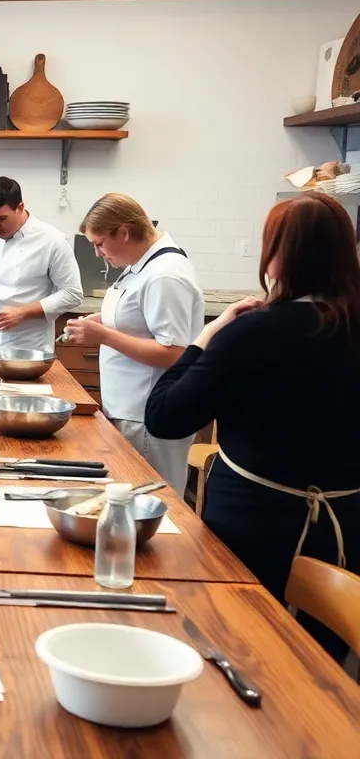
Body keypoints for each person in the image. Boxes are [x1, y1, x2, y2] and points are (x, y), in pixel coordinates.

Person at [146, 192, 360, 662]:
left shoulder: (254, 332)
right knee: (318, 668)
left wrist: (206, 336)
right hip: (345, 529)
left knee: (240, 653)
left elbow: (164, 416)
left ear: (279, 257)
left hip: (252, 526)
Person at [63, 193, 204, 491]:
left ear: (124, 233)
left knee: (156, 498)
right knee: (132, 495)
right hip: (130, 410)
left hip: (147, 413)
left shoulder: (165, 275)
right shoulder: (142, 263)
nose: (98, 254)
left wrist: (104, 336)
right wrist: (102, 320)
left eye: (100, 243)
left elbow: (173, 352)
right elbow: (138, 317)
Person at [0, 177, 83, 354]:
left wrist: (23, 312)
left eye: (1, 219)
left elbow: (72, 294)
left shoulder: (53, 241)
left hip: (30, 348)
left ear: (20, 207)